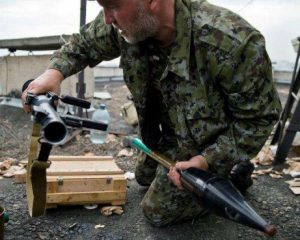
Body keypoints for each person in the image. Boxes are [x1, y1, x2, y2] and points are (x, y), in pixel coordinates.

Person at [22, 0, 282, 227]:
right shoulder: (127, 24)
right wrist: (52, 73)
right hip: (169, 136)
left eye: (113, 6)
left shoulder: (230, 42)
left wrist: (207, 160)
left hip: (209, 144)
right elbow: (84, 43)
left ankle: (232, 173)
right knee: (145, 176)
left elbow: (259, 119)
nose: (107, 19)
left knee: (156, 212)